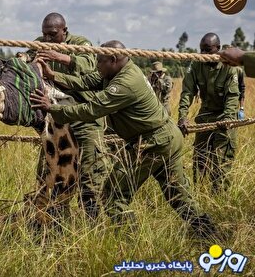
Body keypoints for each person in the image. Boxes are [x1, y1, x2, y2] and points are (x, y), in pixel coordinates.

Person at [30, 40, 217, 238]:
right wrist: (53, 76)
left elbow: (92, 109)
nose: (97, 66)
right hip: (166, 138)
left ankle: (130, 242)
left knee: (113, 195)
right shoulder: (115, 71)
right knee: (178, 195)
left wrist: (52, 109)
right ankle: (209, 234)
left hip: (152, 142)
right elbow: (86, 82)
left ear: (113, 59)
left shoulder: (126, 82)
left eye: (100, 61)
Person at [24, 12, 108, 220]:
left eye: (53, 34)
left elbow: (91, 64)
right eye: (45, 35)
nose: (48, 40)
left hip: (85, 117)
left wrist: (57, 56)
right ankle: (55, 224)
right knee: (49, 174)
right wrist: (28, 61)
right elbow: (25, 61)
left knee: (90, 176)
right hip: (56, 119)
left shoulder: (80, 43)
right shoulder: (39, 44)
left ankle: (93, 225)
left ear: (64, 31)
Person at [178, 33, 239, 192]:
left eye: (208, 50)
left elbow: (232, 97)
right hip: (205, 115)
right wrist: (183, 116)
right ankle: (199, 194)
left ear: (218, 49)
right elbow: (187, 92)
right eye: (201, 50)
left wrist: (227, 120)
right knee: (200, 158)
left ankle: (219, 198)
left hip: (225, 116)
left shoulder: (229, 66)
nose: (203, 54)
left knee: (222, 161)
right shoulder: (196, 64)